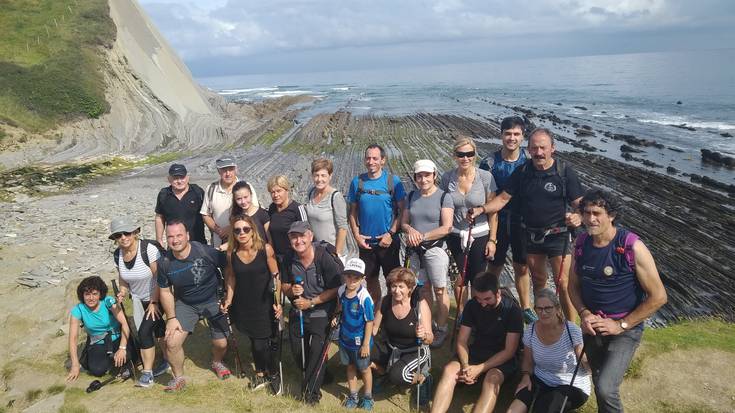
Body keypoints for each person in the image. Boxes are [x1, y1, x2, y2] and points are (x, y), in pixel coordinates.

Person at [569, 189, 667, 413]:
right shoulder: (582, 244)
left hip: (625, 330)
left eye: (597, 213)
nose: (590, 219)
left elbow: (659, 296)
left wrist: (620, 325)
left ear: (611, 215)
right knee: (598, 378)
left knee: (605, 387)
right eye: (586, 213)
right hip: (593, 328)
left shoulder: (632, 246)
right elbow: (572, 286)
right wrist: (584, 314)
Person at [469, 128, 584, 320]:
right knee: (539, 280)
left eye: (543, 148)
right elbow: (503, 199)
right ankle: (544, 320)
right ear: (528, 150)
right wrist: (482, 209)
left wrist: (578, 216)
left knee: (563, 283)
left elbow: (580, 204)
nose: (539, 152)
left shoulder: (564, 171)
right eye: (534, 148)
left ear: (552, 148)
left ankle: (571, 328)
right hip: (531, 236)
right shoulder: (522, 171)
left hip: (559, 235)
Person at [430, 272, 522, 413]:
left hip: (502, 357)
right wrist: (467, 366)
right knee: (449, 371)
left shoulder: (512, 310)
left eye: (487, 299)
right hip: (478, 350)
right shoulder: (472, 305)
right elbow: (461, 341)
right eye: (479, 298)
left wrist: (480, 369)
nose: (483, 303)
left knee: (492, 379)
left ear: (498, 294)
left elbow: (509, 351)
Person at [157, 219, 231, 392]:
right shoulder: (164, 263)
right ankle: (179, 377)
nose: (175, 240)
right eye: (170, 236)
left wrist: (227, 292)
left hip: (213, 299)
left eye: (179, 235)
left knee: (221, 344)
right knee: (172, 342)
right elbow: (165, 291)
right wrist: (171, 318)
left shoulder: (205, 251)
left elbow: (228, 266)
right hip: (186, 304)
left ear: (188, 236)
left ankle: (217, 361)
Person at [479, 116, 536, 323]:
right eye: (508, 134)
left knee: (522, 267)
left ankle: (526, 307)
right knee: (494, 266)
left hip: (522, 223)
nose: (512, 138)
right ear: (501, 134)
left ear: (523, 137)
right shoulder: (489, 163)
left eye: (516, 134)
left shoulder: (529, 163)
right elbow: (488, 198)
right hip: (497, 221)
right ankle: (490, 302)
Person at [281, 221, 342, 405]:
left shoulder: (324, 257)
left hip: (322, 310)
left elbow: (337, 287)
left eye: (302, 236)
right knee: (299, 352)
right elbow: (283, 285)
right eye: (294, 237)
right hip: (299, 310)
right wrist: (292, 291)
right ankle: (322, 373)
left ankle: (310, 395)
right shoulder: (288, 258)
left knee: (316, 351)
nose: (298, 240)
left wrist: (311, 302)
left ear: (310, 236)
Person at [221, 214, 282, 394]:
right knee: (254, 340)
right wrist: (229, 300)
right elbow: (231, 277)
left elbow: (276, 277)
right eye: (237, 230)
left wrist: (278, 303)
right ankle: (261, 373)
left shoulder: (266, 249)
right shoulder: (232, 253)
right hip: (244, 304)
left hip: (265, 303)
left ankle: (272, 373)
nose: (242, 233)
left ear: (252, 230)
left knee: (261, 343)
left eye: (246, 229)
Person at [508, 289, 591, 413]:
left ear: (557, 309)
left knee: (544, 407)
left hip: (570, 384)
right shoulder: (530, 331)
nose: (544, 313)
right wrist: (525, 376)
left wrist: (592, 358)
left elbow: (586, 365)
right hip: (541, 379)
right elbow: (528, 361)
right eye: (539, 309)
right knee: (516, 406)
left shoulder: (571, 331)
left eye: (548, 308)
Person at [440, 135, 498, 314]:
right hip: (455, 235)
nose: (465, 158)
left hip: (480, 234)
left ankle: (478, 314)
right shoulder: (447, 177)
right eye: (460, 154)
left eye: (469, 154)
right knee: (458, 280)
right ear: (454, 156)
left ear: (475, 154)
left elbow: (493, 210)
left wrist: (493, 240)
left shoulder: (485, 177)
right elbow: (442, 206)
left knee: (478, 278)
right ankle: (462, 315)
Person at [109, 217, 169, 387]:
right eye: (118, 235)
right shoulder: (118, 255)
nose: (123, 237)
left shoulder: (148, 249)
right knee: (158, 329)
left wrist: (154, 302)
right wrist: (122, 292)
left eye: (127, 233)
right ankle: (168, 359)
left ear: (135, 232)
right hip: (138, 300)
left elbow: (160, 278)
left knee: (143, 333)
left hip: (158, 297)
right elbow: (123, 279)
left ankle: (147, 374)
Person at [400, 159, 453, 348]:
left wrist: (422, 236)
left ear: (434, 176)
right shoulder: (411, 195)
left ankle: (442, 327)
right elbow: (404, 222)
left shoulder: (443, 197)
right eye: (419, 176)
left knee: (440, 289)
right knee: (422, 289)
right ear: (415, 178)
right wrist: (410, 231)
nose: (423, 179)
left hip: (435, 250)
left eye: (427, 175)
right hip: (415, 251)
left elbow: (447, 227)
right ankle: (427, 324)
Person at [348, 144, 407, 307]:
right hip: (366, 243)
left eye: (375, 158)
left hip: (388, 241)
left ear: (383, 160)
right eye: (368, 158)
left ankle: (392, 311)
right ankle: (376, 312)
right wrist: (357, 236)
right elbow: (352, 213)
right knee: (371, 279)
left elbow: (402, 211)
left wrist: (391, 233)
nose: (371, 161)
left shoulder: (392, 182)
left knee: (393, 280)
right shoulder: (357, 182)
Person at [371, 267, 433, 406]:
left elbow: (430, 338)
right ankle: (382, 372)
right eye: (393, 286)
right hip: (391, 346)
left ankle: (423, 378)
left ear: (410, 288)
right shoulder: (385, 301)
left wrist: (424, 335)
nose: (396, 291)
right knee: (360, 352)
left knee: (397, 376)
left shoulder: (419, 305)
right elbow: (374, 328)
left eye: (401, 286)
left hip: (414, 350)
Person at [66, 276, 130, 381]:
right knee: (97, 370)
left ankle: (122, 359)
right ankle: (112, 361)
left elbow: (125, 324)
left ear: (100, 294)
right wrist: (75, 364)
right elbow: (73, 338)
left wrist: (122, 348)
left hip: (118, 338)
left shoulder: (108, 302)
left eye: (95, 294)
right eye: (87, 294)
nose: (91, 298)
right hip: (98, 341)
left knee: (126, 356)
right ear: (82, 295)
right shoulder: (78, 310)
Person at [334, 258, 375, 410]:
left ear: (363, 279)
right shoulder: (340, 290)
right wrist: (335, 317)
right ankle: (353, 395)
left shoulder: (365, 297)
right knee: (350, 367)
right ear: (344, 275)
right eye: (349, 275)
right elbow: (340, 308)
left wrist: (366, 344)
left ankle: (368, 396)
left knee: (364, 369)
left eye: (356, 277)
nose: (352, 280)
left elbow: (370, 321)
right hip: (345, 339)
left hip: (361, 342)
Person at [201, 156, 260, 248]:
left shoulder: (247, 187)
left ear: (236, 169)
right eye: (224, 170)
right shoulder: (211, 189)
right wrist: (219, 231)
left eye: (231, 169)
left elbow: (254, 212)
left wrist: (231, 228)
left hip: (243, 243)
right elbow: (205, 214)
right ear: (218, 171)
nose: (228, 173)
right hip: (219, 242)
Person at [305, 158, 348, 260]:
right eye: (316, 175)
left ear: (330, 176)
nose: (319, 179)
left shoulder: (335, 196)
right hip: (317, 251)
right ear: (312, 176)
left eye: (323, 175)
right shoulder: (310, 192)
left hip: (333, 252)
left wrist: (337, 254)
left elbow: (342, 228)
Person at [155, 163, 206, 244]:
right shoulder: (164, 194)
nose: (179, 181)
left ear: (187, 178)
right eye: (175, 178)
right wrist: (159, 240)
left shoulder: (197, 192)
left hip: (197, 242)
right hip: (174, 243)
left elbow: (207, 215)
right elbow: (159, 217)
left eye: (182, 177)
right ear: (169, 179)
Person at [267, 175, 307, 261]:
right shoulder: (272, 208)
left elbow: (307, 233)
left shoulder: (298, 208)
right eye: (272, 192)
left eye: (279, 191)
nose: (276, 195)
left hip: (296, 258)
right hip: (278, 258)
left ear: (287, 190)